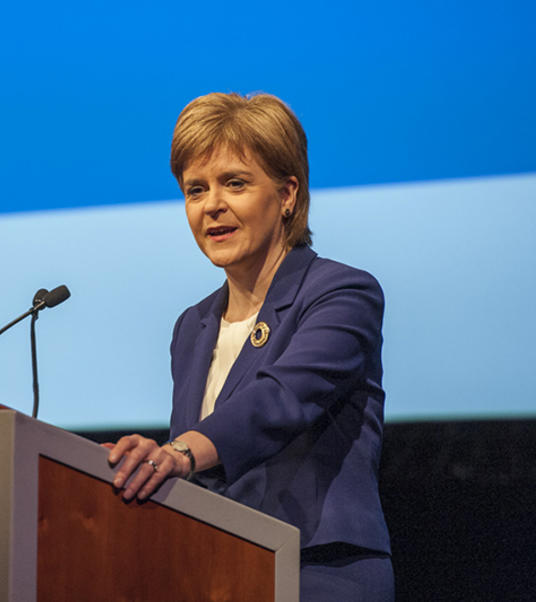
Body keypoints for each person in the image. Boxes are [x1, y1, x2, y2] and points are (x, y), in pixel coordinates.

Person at [106, 92, 394, 600]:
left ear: (287, 194)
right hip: (215, 573)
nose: (211, 205)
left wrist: (174, 454)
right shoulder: (191, 327)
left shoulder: (342, 293)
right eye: (195, 190)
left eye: (234, 183)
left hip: (318, 568)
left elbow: (279, 400)